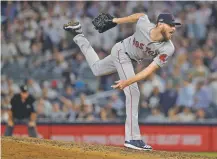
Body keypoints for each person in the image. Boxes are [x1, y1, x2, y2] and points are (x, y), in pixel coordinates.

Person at [63, 12, 181, 150]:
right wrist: (115, 20)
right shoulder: (145, 25)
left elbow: (149, 70)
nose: (174, 29)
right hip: (122, 52)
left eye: (175, 26)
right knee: (134, 93)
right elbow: (140, 16)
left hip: (128, 59)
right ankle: (132, 138)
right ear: (160, 24)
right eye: (171, 25)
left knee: (96, 69)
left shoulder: (168, 48)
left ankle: (78, 34)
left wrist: (127, 81)